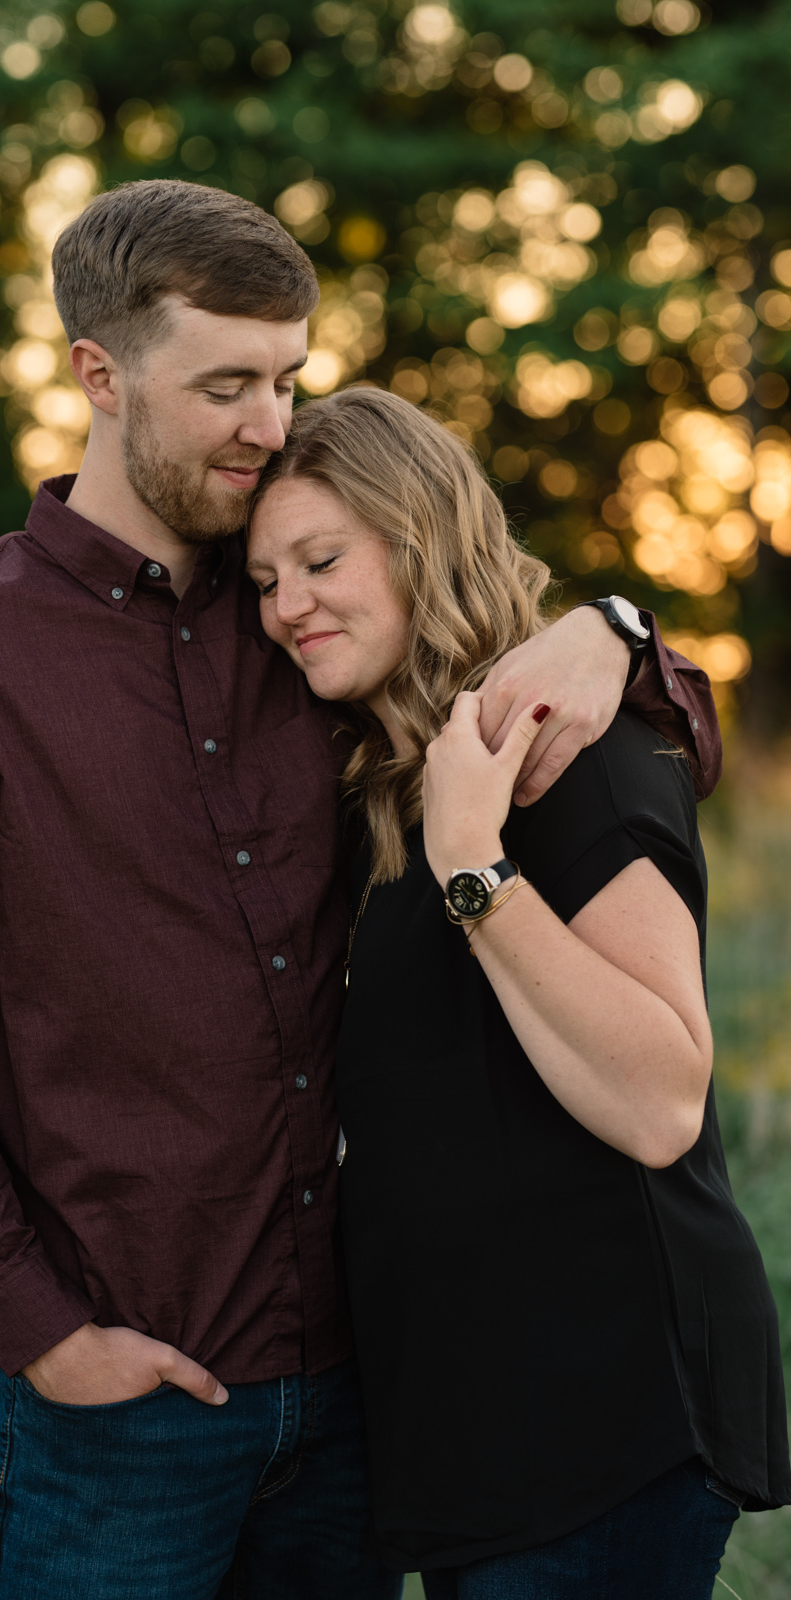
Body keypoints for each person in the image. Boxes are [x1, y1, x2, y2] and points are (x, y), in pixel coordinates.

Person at [0, 180, 721, 1600]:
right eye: (226, 384)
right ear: (98, 375)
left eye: (287, 378)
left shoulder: (308, 620)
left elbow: (564, 702)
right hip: (117, 1418)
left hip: (366, 1403)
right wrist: (44, 1334)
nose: (269, 420)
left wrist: (618, 634)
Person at [246, 385, 791, 1599]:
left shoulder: (575, 757)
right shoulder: (387, 778)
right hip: (467, 1416)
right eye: (265, 579)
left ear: (420, 535)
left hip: (598, 1408)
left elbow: (662, 1098)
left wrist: (477, 873)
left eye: (321, 559)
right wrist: (617, 619)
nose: (288, 605)